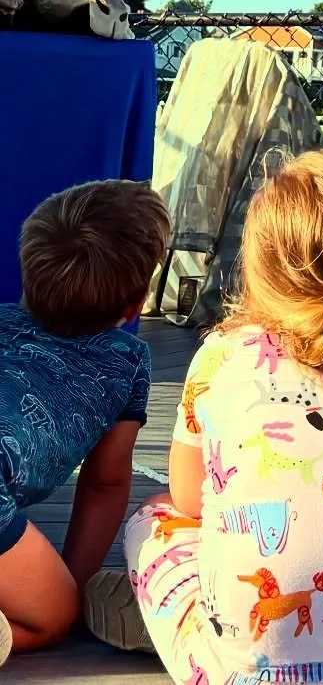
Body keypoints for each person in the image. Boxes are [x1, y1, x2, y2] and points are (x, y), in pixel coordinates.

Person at [86, 151, 323, 685]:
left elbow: (189, 500)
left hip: (237, 672)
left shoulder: (220, 355)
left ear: (258, 263)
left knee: (154, 516)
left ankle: (182, 615)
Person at [0, 179, 169, 664]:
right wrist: (68, 586)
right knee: (50, 613)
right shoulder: (127, 364)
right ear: (134, 307)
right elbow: (104, 484)